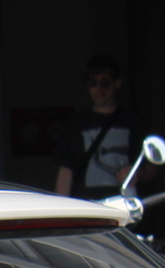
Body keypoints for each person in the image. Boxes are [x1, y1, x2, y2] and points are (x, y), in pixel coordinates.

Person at [54, 56, 140, 199]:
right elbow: (65, 171)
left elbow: (150, 167)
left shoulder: (132, 121)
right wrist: (60, 210)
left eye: (105, 83)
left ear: (117, 83)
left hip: (122, 206)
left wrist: (136, 174)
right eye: (93, 83)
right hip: (87, 208)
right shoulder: (75, 124)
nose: (98, 88)